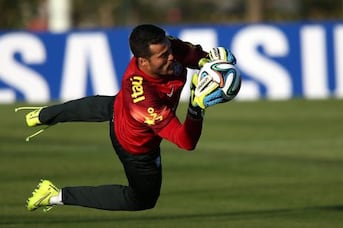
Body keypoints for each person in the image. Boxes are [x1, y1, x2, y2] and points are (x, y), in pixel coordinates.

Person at [17, 24, 237, 212]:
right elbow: (186, 141)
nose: (172, 56)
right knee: (142, 200)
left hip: (120, 106)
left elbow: (193, 56)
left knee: (108, 105)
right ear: (143, 62)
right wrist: (196, 106)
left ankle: (43, 115)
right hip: (135, 145)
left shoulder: (167, 47)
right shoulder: (142, 99)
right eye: (163, 56)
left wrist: (212, 61)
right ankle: (55, 195)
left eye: (169, 50)